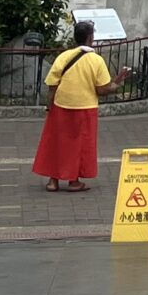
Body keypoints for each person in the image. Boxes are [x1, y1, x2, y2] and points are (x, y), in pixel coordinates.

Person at [29, 20, 115, 196]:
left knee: (56, 142)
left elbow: (52, 83)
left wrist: (49, 104)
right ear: (91, 38)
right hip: (85, 107)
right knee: (80, 145)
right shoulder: (96, 60)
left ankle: (53, 180)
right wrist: (116, 85)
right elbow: (102, 88)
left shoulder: (64, 56)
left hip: (61, 104)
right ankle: (74, 181)